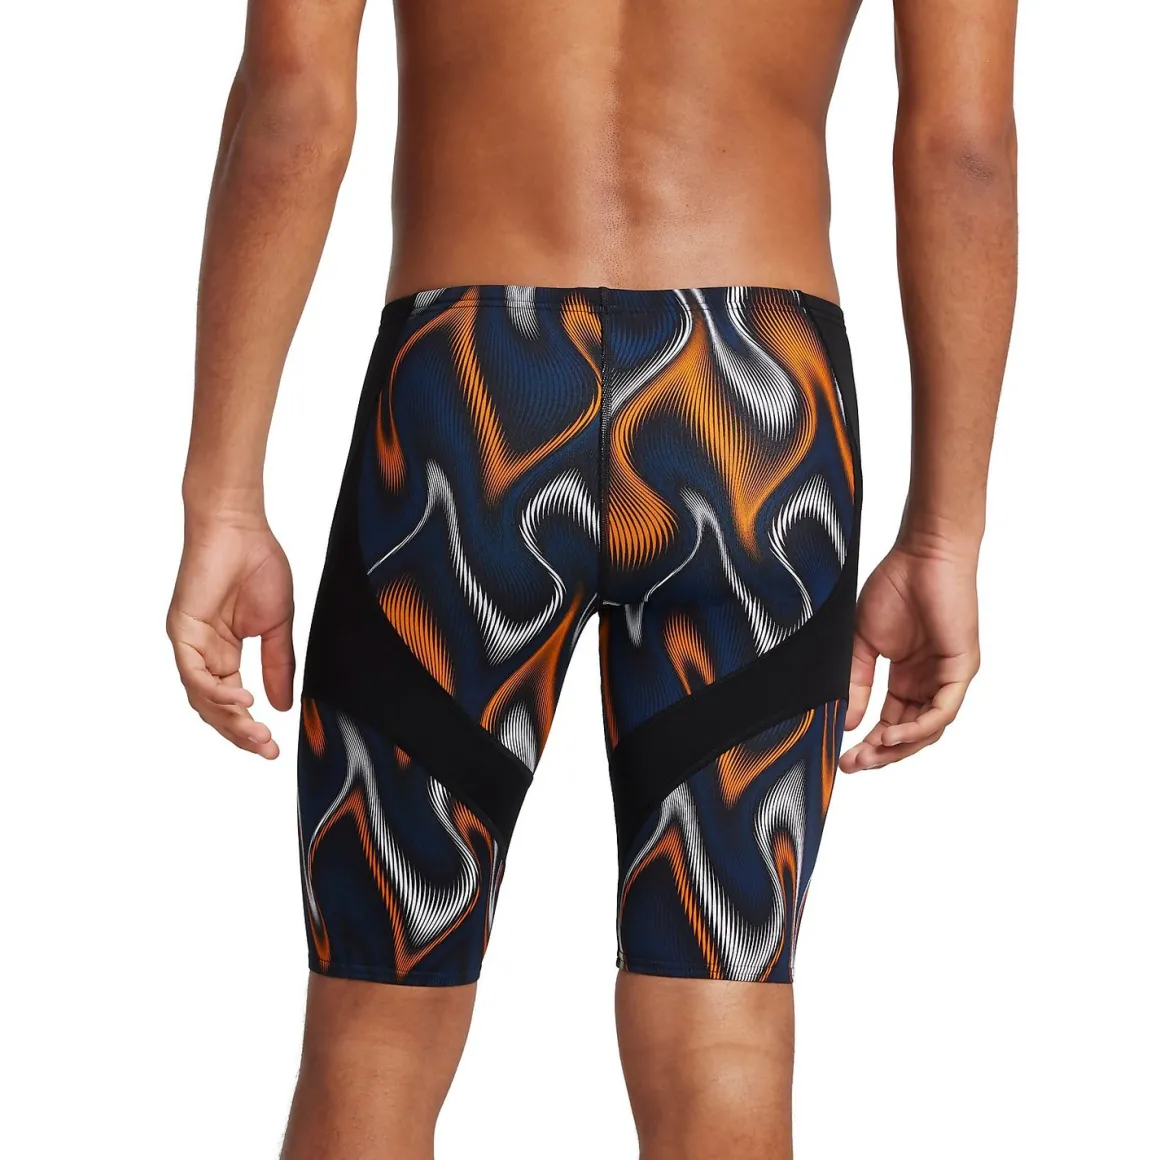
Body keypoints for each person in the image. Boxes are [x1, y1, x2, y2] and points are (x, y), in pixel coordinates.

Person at [167, 0, 1017, 1154]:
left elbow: (293, 100)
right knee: (724, 1034)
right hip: (753, 424)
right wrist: (942, 534)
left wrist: (221, 496)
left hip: (469, 406)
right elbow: (962, 145)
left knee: (374, 1036)